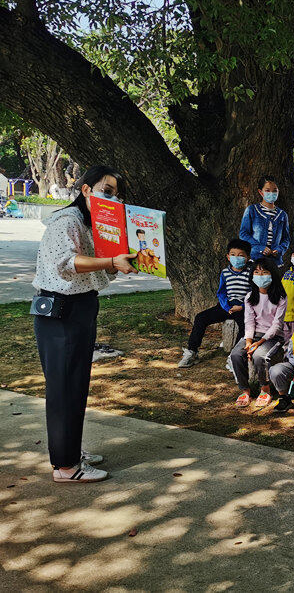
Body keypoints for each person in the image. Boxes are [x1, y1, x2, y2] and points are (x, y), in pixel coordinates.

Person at [32, 165, 137, 483]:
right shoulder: (67, 220)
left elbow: (97, 267)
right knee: (64, 387)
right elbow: (66, 263)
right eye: (107, 190)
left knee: (75, 385)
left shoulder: (93, 223)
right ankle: (66, 467)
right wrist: (111, 262)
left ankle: (71, 451)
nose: (112, 198)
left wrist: (118, 263)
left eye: (116, 194)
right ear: (87, 189)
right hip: (60, 311)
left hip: (80, 307)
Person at [179, 239, 253, 368]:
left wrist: (242, 306)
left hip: (243, 307)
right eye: (233, 254)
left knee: (246, 328)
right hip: (227, 306)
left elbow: (254, 293)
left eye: (241, 255)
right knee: (201, 318)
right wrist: (227, 307)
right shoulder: (225, 273)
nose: (236, 258)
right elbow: (221, 292)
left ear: (247, 257)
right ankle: (192, 352)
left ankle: (234, 357)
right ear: (228, 257)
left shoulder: (251, 272)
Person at [229, 257, 288, 408]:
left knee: (259, 355)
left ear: (272, 274)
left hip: (273, 337)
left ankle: (265, 389)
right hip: (253, 335)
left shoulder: (281, 297)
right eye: (256, 272)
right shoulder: (250, 297)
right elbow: (249, 321)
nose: (260, 276)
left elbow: (277, 325)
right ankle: (245, 390)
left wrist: (259, 343)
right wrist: (249, 342)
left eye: (264, 272)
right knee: (236, 355)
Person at [239, 175, 290, 261]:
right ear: (261, 192)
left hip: (275, 261)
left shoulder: (282, 215)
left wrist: (279, 250)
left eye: (274, 190)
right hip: (255, 259)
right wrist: (260, 248)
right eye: (267, 190)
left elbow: (286, 239)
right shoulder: (252, 210)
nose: (271, 193)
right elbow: (243, 234)